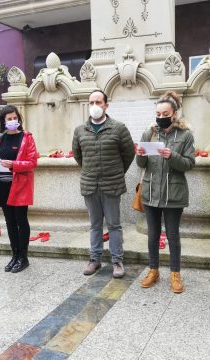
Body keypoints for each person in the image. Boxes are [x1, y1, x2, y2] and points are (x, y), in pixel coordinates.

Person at [135, 91, 195, 293]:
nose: (161, 117)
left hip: (173, 194)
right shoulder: (150, 133)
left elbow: (189, 164)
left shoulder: (185, 135)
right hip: (151, 192)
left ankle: (175, 274)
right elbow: (141, 164)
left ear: (174, 114)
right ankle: (153, 270)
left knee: (173, 235)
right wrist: (140, 155)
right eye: (158, 114)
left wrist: (172, 156)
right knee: (152, 235)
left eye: (165, 113)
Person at [72, 90, 135, 278]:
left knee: (114, 225)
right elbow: (78, 155)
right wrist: (90, 170)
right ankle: (95, 259)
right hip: (90, 185)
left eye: (98, 102)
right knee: (95, 224)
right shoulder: (80, 130)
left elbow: (128, 154)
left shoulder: (118, 128)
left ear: (106, 105)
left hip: (111, 184)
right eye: (91, 102)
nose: (94, 106)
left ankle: (117, 261)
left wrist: (116, 172)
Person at [0, 105, 38, 273]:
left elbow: (32, 162)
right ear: (3, 121)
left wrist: (14, 165)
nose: (13, 121)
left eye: (15, 118)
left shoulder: (26, 138)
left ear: (19, 119)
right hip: (2, 186)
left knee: (21, 220)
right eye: (9, 119)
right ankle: (14, 255)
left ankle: (24, 257)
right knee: (9, 222)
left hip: (19, 186)